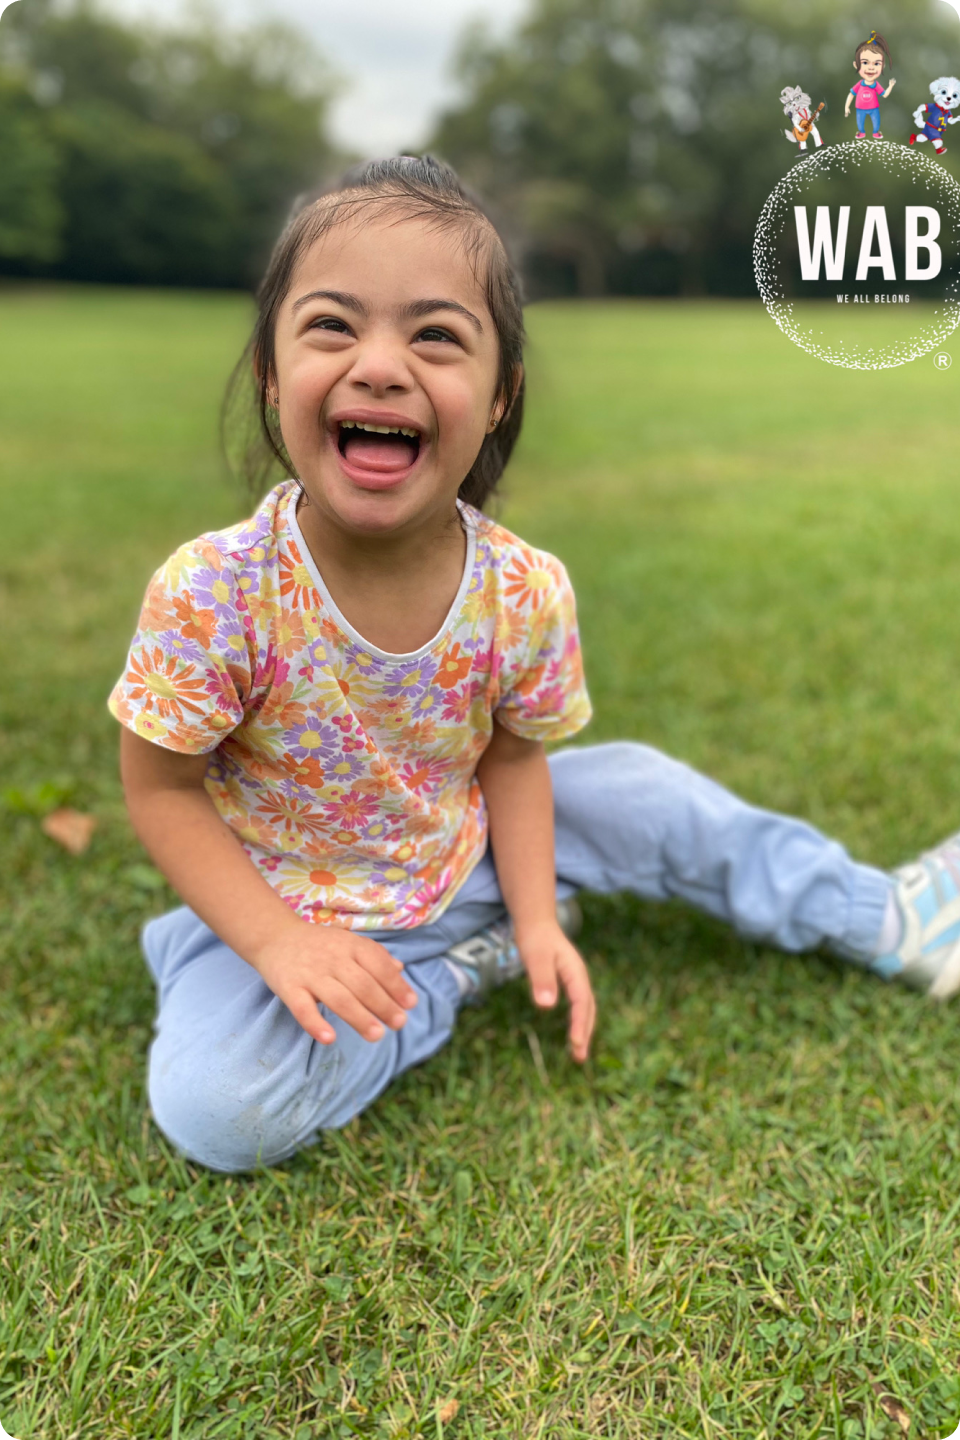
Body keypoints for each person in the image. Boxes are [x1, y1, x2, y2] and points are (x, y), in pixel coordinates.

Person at [110, 155, 958, 1176]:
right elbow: (161, 790)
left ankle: (888, 914)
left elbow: (513, 766)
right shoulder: (214, 590)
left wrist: (528, 912)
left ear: (501, 394)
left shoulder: (522, 589)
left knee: (642, 792)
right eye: (332, 325)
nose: (380, 365)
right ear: (269, 369)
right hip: (276, 904)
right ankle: (456, 973)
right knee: (219, 1115)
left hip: (461, 852)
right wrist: (277, 945)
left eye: (435, 335)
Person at [843, 30, 896, 139]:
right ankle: (861, 132)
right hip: (860, 108)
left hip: (874, 108)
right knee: (860, 123)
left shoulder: (876, 85)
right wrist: (846, 106)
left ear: (882, 66)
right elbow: (851, 94)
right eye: (865, 63)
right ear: (856, 65)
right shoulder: (859, 84)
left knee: (876, 122)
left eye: (876, 64)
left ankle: (875, 132)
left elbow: (884, 95)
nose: (871, 68)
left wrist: (890, 86)